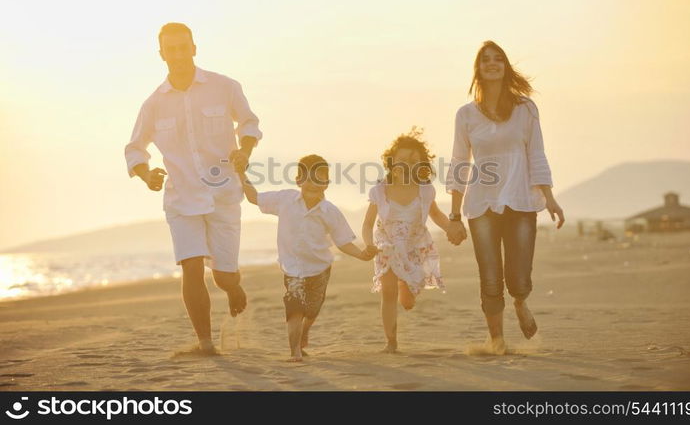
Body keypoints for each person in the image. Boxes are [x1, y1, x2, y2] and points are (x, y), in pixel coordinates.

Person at [124, 22, 262, 355]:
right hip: (181, 197)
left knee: (224, 277)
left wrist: (245, 150)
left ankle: (232, 288)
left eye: (183, 47)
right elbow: (134, 148)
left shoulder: (224, 87)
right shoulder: (153, 104)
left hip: (224, 194)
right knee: (191, 265)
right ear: (161, 55)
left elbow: (249, 123)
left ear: (194, 48)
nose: (178, 54)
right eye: (170, 49)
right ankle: (205, 342)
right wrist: (146, 175)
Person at [445, 40, 565, 354]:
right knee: (489, 276)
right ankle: (496, 340)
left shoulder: (526, 109)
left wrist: (549, 198)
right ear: (478, 69)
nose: (493, 63)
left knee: (519, 276)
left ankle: (521, 302)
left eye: (499, 59)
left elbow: (536, 154)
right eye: (486, 60)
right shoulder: (466, 115)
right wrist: (454, 215)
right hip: (481, 205)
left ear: (506, 66)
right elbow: (459, 163)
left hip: (522, 201)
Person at [235, 154, 377, 362]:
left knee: (311, 310)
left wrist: (362, 255)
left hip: (319, 269)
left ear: (327, 183)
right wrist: (241, 172)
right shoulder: (285, 200)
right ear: (298, 180)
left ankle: (305, 331)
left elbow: (343, 241)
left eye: (319, 178)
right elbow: (254, 198)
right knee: (295, 309)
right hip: (292, 268)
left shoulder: (330, 212)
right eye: (308, 177)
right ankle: (295, 352)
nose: (313, 183)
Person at [362, 129, 449, 354]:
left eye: (413, 161)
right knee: (387, 292)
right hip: (387, 244)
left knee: (408, 303)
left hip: (413, 245)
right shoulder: (380, 191)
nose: (407, 166)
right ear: (392, 163)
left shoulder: (425, 191)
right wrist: (368, 243)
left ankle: (405, 283)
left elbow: (437, 216)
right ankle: (391, 342)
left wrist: (452, 229)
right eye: (401, 161)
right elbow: (367, 223)